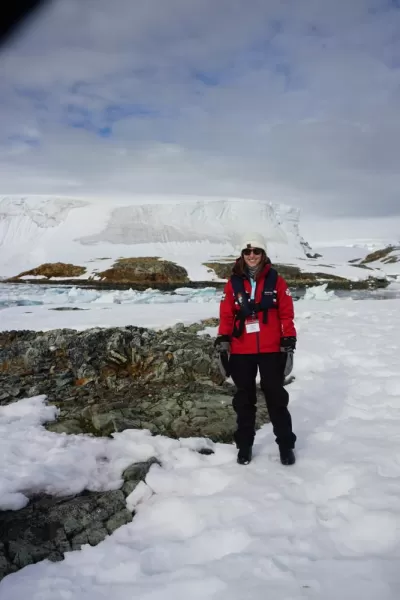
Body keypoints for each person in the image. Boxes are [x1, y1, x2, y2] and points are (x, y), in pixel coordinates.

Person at [215, 233, 297, 466]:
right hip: (241, 350)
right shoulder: (233, 283)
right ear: (242, 255)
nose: (252, 256)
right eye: (247, 252)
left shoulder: (277, 281)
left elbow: (286, 313)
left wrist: (289, 340)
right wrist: (223, 340)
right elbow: (227, 314)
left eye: (256, 251)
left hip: (271, 349)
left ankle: (286, 445)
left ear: (263, 254)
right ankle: (245, 446)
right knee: (244, 400)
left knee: (276, 398)